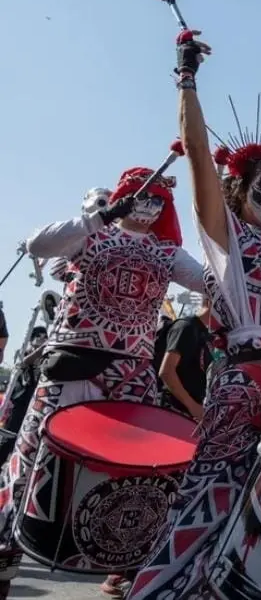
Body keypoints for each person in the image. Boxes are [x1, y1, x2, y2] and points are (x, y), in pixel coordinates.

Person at [127, 26, 261, 599]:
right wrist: (187, 79)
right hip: (245, 385)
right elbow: (198, 154)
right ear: (239, 188)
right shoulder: (226, 238)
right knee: (205, 506)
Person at [0, 165, 205, 598]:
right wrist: (102, 217)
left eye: (159, 201)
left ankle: (120, 561)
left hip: (131, 374)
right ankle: (5, 549)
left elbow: (210, 282)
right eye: (143, 196)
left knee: (137, 468)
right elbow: (38, 243)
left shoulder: (166, 252)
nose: (150, 206)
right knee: (31, 456)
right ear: (125, 195)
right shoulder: (90, 233)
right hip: (71, 362)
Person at [157, 304, 212, 421]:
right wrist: (193, 407)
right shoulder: (187, 327)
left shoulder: (206, 335)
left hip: (189, 414)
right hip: (172, 411)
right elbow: (166, 372)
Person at [0, 327, 47, 465]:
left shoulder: (45, 356)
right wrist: (40, 350)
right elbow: (23, 362)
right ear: (32, 339)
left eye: (45, 337)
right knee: (10, 435)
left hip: (35, 402)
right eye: (40, 336)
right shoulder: (23, 352)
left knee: (28, 439)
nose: (43, 339)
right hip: (20, 400)